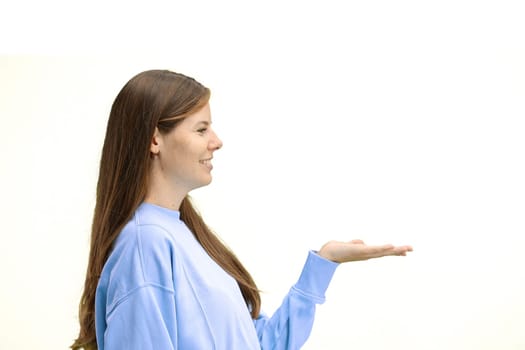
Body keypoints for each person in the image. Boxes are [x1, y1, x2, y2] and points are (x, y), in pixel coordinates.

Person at [71, 69, 413, 350]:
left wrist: (323, 264)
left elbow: (259, 344)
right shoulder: (145, 246)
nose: (216, 141)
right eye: (201, 129)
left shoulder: (185, 237)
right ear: (154, 139)